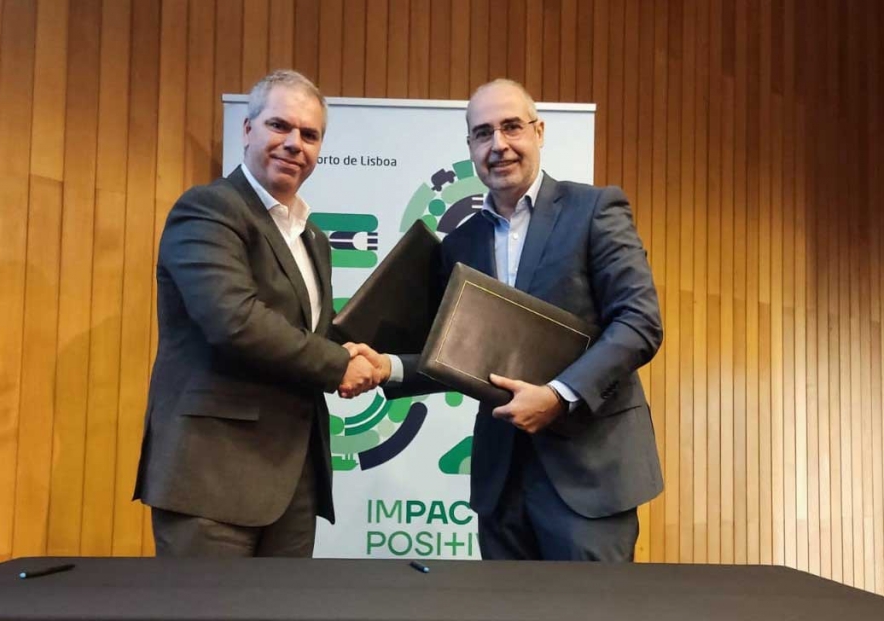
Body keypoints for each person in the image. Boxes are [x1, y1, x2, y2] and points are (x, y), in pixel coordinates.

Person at [361, 78, 664, 561]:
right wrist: (387, 367)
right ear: (470, 146)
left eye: (511, 127)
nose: (498, 145)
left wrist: (558, 396)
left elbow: (639, 321)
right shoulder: (460, 244)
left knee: (593, 604)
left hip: (589, 475)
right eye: (483, 133)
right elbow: (456, 355)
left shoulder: (594, 210)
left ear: (538, 132)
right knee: (505, 603)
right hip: (501, 482)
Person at [134, 70, 382, 557]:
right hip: (212, 478)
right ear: (247, 130)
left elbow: (309, 333)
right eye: (279, 126)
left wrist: (364, 355)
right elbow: (235, 320)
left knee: (287, 602)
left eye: (309, 135)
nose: (294, 144)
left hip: (293, 479)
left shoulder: (313, 238)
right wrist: (339, 364)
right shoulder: (209, 209)